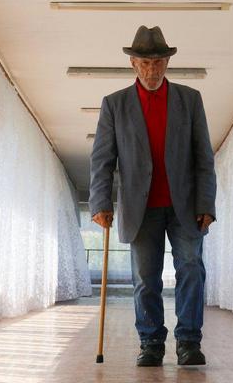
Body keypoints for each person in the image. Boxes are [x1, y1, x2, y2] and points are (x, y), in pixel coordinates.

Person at [88, 25, 217, 367]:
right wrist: (100, 202)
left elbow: (204, 157)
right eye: (144, 63)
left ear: (167, 63)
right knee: (145, 280)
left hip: (185, 205)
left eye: (158, 62)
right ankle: (151, 343)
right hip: (139, 207)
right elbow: (102, 159)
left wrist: (206, 204)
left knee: (191, 270)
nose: (151, 70)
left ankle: (189, 342)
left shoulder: (190, 100)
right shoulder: (115, 104)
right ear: (133, 63)